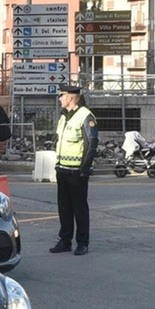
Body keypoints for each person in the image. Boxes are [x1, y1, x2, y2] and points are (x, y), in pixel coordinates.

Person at [51, 84, 97, 256]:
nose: (60, 99)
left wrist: (85, 167)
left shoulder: (85, 116)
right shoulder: (64, 116)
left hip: (77, 171)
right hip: (62, 168)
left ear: (69, 98)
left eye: (61, 96)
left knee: (79, 208)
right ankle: (65, 240)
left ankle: (82, 242)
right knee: (64, 208)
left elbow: (91, 143)